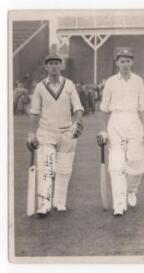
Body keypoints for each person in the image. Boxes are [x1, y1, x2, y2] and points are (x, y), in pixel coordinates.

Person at [26, 53, 84, 215]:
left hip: (66, 132)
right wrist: (31, 133)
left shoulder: (69, 85)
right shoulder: (40, 87)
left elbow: (78, 108)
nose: (54, 66)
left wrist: (77, 123)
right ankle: (44, 204)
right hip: (46, 132)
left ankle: (60, 202)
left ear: (61, 66)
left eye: (57, 63)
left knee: (64, 170)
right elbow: (35, 112)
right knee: (46, 168)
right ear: (46, 67)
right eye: (50, 63)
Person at [97, 48, 144, 216]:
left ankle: (132, 190)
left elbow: (143, 107)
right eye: (122, 61)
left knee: (136, 162)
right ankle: (119, 204)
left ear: (132, 62)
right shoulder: (111, 82)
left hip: (134, 121)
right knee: (116, 164)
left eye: (128, 61)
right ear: (117, 63)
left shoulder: (138, 81)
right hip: (116, 122)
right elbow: (105, 109)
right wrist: (104, 130)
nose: (125, 64)